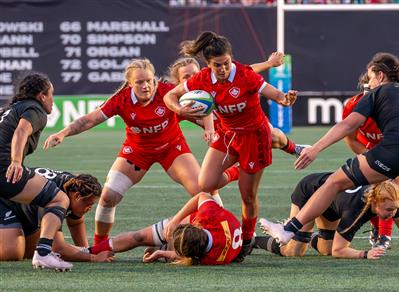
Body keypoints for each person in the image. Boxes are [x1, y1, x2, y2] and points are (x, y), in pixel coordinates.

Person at [260, 52, 399, 245]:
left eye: (371, 78)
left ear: (381, 75)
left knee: (334, 182)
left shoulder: (377, 93)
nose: (369, 83)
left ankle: (288, 230)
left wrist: (316, 148)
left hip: (396, 149)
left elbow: (347, 125)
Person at [43, 59, 235, 248]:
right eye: (139, 82)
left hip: (172, 148)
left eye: (149, 80)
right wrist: (63, 133)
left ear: (155, 80)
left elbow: (202, 100)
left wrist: (210, 128)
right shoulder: (122, 99)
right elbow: (88, 120)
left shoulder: (168, 91)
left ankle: (223, 232)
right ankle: (101, 243)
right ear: (130, 84)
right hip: (137, 151)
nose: (146, 86)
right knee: (108, 196)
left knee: (204, 190)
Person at [163, 31, 298, 261]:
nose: (223, 69)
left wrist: (285, 99)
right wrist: (180, 109)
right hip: (226, 135)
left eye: (226, 63)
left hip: (254, 138)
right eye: (218, 65)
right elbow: (170, 97)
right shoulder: (202, 79)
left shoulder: (245, 75)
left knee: (247, 197)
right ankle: (239, 170)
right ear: (208, 65)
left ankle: (246, 240)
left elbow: (273, 94)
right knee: (204, 185)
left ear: (231, 59)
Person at [258, 172, 399, 259]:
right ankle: (254, 241)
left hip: (332, 204)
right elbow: (340, 251)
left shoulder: (389, 200)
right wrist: (365, 254)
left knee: (326, 250)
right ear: (375, 203)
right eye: (389, 210)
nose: (392, 213)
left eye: (394, 209)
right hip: (310, 191)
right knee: (294, 252)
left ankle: (304, 235)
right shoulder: (356, 210)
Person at [167, 53, 308, 157]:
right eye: (186, 77)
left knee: (272, 138)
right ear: (178, 81)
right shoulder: (180, 103)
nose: (192, 79)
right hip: (225, 135)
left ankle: (295, 148)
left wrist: (269, 63)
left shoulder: (206, 84)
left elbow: (247, 71)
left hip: (245, 122)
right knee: (210, 178)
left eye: (195, 74)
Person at [0, 72, 73, 271]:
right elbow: (21, 131)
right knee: (60, 199)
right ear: (42, 96)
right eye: (51, 94)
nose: (52, 100)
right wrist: (15, 161)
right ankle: (43, 254)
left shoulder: (10, 109)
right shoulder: (35, 109)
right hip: (4, 170)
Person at [88, 192, 242, 265]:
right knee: (142, 238)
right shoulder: (209, 215)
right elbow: (201, 195)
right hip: (220, 225)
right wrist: (175, 221)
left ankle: (88, 251)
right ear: (196, 225)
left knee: (139, 237)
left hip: (219, 232)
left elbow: (186, 258)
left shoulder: (210, 259)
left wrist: (161, 253)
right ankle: (92, 250)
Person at [0, 167, 114, 263]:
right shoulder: (57, 197)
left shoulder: (74, 186)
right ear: (77, 196)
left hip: (25, 208)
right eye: (88, 204)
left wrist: (87, 250)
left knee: (30, 252)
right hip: (4, 200)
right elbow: (57, 247)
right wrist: (93, 257)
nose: (89, 208)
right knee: (12, 253)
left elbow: (76, 223)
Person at [342, 73, 399, 249]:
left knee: (392, 188)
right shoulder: (353, 106)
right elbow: (350, 138)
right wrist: (371, 157)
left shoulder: (394, 109)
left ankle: (385, 236)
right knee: (372, 190)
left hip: (395, 151)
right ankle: (376, 228)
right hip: (367, 150)